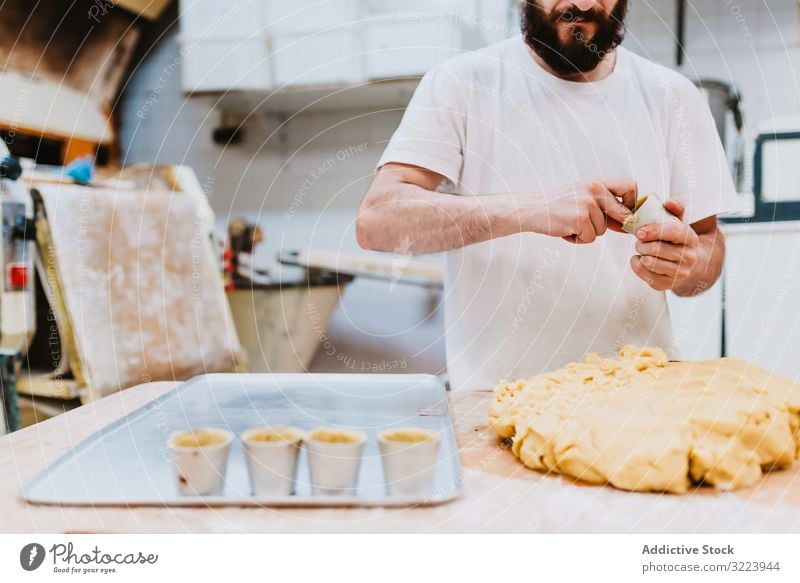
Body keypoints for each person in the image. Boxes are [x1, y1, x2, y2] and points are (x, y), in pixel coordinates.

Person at [356, 0, 741, 391]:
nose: (585, 4)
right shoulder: (460, 83)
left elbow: (707, 245)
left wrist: (688, 264)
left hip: (640, 397)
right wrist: (532, 209)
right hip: (497, 400)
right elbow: (378, 222)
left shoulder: (673, 95)